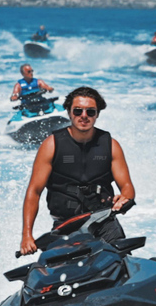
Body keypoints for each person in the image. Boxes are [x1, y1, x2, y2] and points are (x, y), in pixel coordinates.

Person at [18, 86, 136, 256]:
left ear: (97, 114)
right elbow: (34, 191)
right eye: (78, 111)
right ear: (69, 112)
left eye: (90, 112)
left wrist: (125, 197)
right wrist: (27, 235)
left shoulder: (111, 145)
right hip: (66, 227)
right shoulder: (51, 145)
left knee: (120, 269)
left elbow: (127, 186)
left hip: (104, 224)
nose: (84, 116)